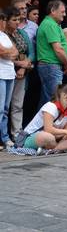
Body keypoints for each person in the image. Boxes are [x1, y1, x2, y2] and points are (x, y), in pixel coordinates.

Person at [15, 84, 67, 153]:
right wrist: (64, 132)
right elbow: (48, 129)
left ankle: (52, 150)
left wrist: (65, 134)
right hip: (32, 136)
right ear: (64, 95)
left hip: (55, 137)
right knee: (47, 137)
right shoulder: (51, 107)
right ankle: (59, 148)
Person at [36, 0, 67, 108]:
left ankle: (42, 125)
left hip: (51, 66)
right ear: (53, 11)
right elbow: (58, 49)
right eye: (62, 11)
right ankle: (47, 125)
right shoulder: (50, 24)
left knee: (47, 101)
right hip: (51, 65)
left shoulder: (53, 24)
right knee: (53, 100)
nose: (64, 14)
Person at [5, 8, 33, 141]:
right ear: (6, 20)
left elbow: (31, 52)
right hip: (6, 71)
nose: (17, 22)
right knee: (4, 106)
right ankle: (4, 136)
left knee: (17, 105)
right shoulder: (3, 34)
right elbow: (7, 55)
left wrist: (24, 66)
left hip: (22, 73)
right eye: (14, 20)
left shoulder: (22, 33)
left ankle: (17, 134)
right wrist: (20, 64)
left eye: (18, 19)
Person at [0, 11, 18, 149]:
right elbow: (2, 52)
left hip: (10, 74)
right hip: (0, 74)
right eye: (3, 20)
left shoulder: (5, 35)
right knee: (0, 109)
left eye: (4, 20)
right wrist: (8, 53)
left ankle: (5, 138)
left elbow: (15, 52)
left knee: (6, 109)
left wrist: (8, 53)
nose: (4, 22)